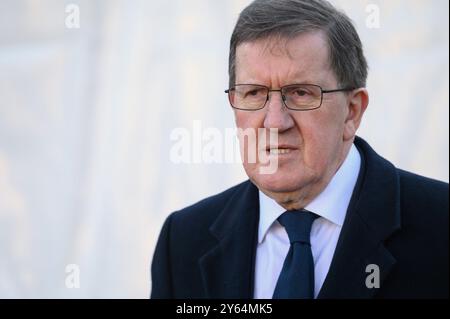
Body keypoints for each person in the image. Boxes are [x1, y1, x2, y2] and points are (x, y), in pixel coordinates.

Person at [151, 0, 448, 299]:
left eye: (301, 93)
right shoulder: (183, 243)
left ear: (352, 112)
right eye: (254, 93)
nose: (275, 122)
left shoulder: (440, 225)